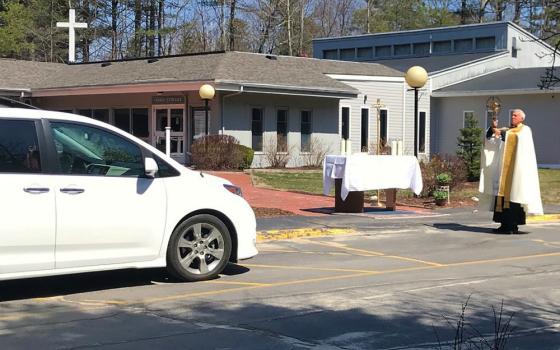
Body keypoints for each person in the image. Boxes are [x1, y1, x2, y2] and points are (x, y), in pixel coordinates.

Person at [479, 109, 543, 234]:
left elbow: (513, 138)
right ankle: (504, 225)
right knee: (502, 198)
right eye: (512, 115)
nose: (512, 117)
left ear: (521, 118)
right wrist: (492, 130)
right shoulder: (507, 130)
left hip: (516, 172)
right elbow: (493, 143)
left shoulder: (524, 130)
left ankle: (513, 225)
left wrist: (502, 133)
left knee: (515, 197)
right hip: (503, 171)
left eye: (515, 115)